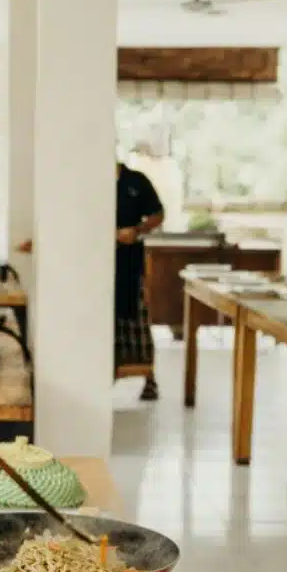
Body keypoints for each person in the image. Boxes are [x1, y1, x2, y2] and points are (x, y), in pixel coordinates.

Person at [115, 159, 166, 400]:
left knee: (136, 319)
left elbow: (158, 213)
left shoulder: (136, 181)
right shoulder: (90, 182)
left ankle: (149, 378)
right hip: (97, 265)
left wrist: (136, 231)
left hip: (131, 263)